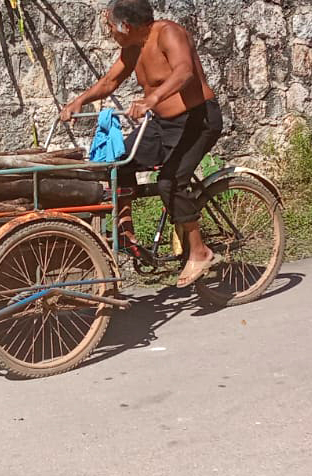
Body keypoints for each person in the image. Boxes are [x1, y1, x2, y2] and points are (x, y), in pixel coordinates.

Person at [60, 0, 223, 288]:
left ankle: (200, 251)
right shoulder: (133, 47)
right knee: (119, 163)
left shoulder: (168, 33)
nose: (109, 31)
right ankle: (128, 234)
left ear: (127, 26)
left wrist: (152, 98)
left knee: (170, 182)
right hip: (162, 126)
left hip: (197, 121)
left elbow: (184, 71)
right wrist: (78, 101)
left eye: (110, 26)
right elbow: (110, 81)